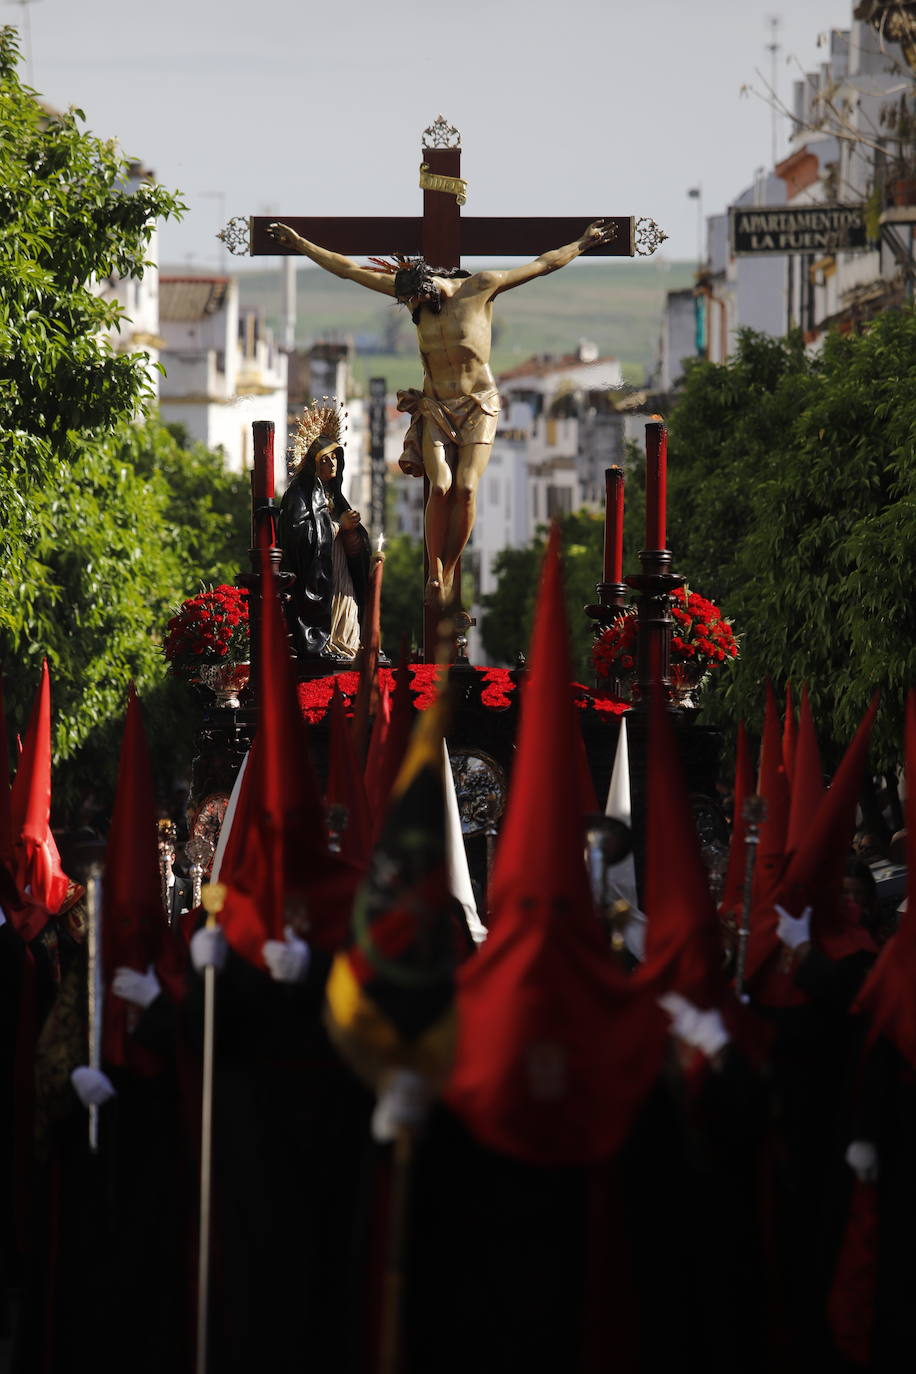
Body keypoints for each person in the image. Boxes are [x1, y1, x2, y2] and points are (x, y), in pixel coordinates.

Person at [267, 218, 617, 606]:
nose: (414, 310)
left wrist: (583, 243)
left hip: (478, 404)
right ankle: (433, 568)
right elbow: (349, 270)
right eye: (409, 305)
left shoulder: (480, 287)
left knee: (466, 487)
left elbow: (542, 264)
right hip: (435, 407)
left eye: (418, 302)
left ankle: (447, 572)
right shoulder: (411, 294)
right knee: (442, 486)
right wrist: (301, 245)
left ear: (432, 286)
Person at [277, 401, 371, 663]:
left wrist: (354, 537)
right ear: (312, 464)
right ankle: (326, 645)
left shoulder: (337, 497)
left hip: (341, 571)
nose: (332, 463)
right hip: (316, 576)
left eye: (335, 457)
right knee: (326, 614)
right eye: (325, 459)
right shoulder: (298, 495)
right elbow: (297, 537)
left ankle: (346, 647)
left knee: (348, 614)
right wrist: (339, 527)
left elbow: (355, 548)